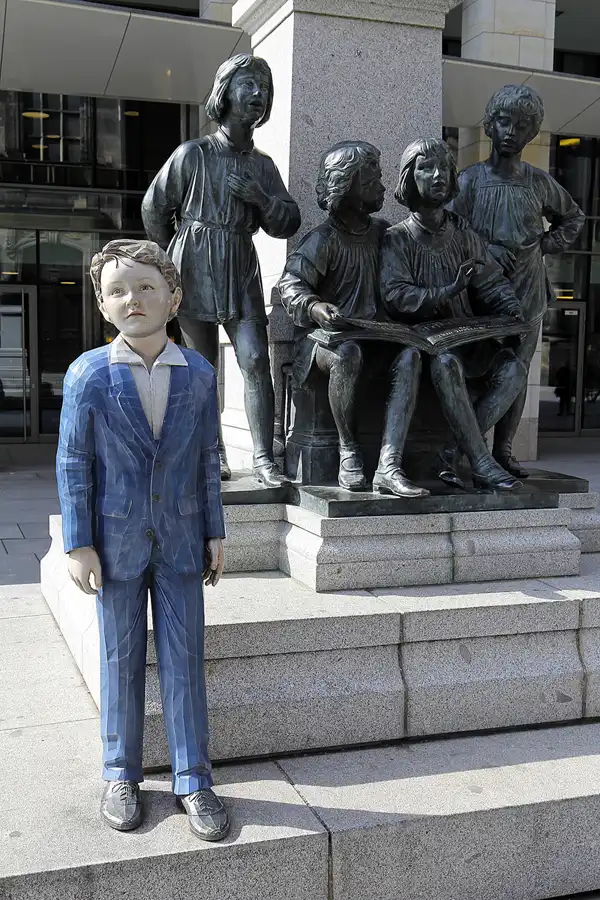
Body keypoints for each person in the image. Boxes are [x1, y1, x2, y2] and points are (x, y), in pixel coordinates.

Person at [56, 239, 230, 841]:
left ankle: (193, 777)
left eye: (147, 287)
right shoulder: (89, 375)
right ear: (103, 306)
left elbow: (209, 457)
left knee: (186, 661)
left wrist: (215, 530)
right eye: (119, 290)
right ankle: (120, 770)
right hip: (116, 541)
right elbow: (74, 461)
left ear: (174, 298)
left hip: (181, 540)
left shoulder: (201, 373)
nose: (134, 299)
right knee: (120, 657)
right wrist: (79, 542)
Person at [142, 53, 301, 487]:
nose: (258, 95)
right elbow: (154, 207)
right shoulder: (193, 154)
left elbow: (288, 220)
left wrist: (260, 199)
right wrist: (171, 260)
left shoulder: (262, 165)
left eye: (264, 89)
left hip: (240, 265)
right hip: (195, 265)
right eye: (248, 85)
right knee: (202, 366)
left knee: (254, 358)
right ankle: (211, 454)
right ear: (225, 91)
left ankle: (265, 458)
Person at [279, 140, 428, 497]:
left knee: (409, 357)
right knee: (348, 355)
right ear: (349, 185)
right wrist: (316, 307)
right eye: (372, 176)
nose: (381, 184)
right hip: (326, 341)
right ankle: (348, 451)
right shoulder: (323, 239)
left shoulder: (385, 234)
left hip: (376, 336)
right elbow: (291, 284)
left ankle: (389, 464)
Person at [451, 84, 585, 477]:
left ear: (531, 134)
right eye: (504, 122)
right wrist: (483, 251)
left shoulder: (539, 183)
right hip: (479, 293)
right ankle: (465, 449)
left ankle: (502, 450)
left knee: (519, 373)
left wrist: (546, 243)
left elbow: (573, 218)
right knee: (477, 368)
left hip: (527, 292)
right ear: (490, 126)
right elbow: (450, 228)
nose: (511, 131)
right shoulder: (470, 180)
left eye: (521, 125)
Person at [380, 138, 527, 492]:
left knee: (514, 370)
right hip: (417, 344)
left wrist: (511, 310)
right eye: (425, 169)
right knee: (445, 363)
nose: (436, 176)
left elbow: (490, 282)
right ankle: (480, 462)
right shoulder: (396, 238)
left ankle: (452, 450)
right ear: (408, 179)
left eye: (443, 168)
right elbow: (396, 295)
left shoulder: (464, 235)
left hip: (463, 338)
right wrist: (445, 291)